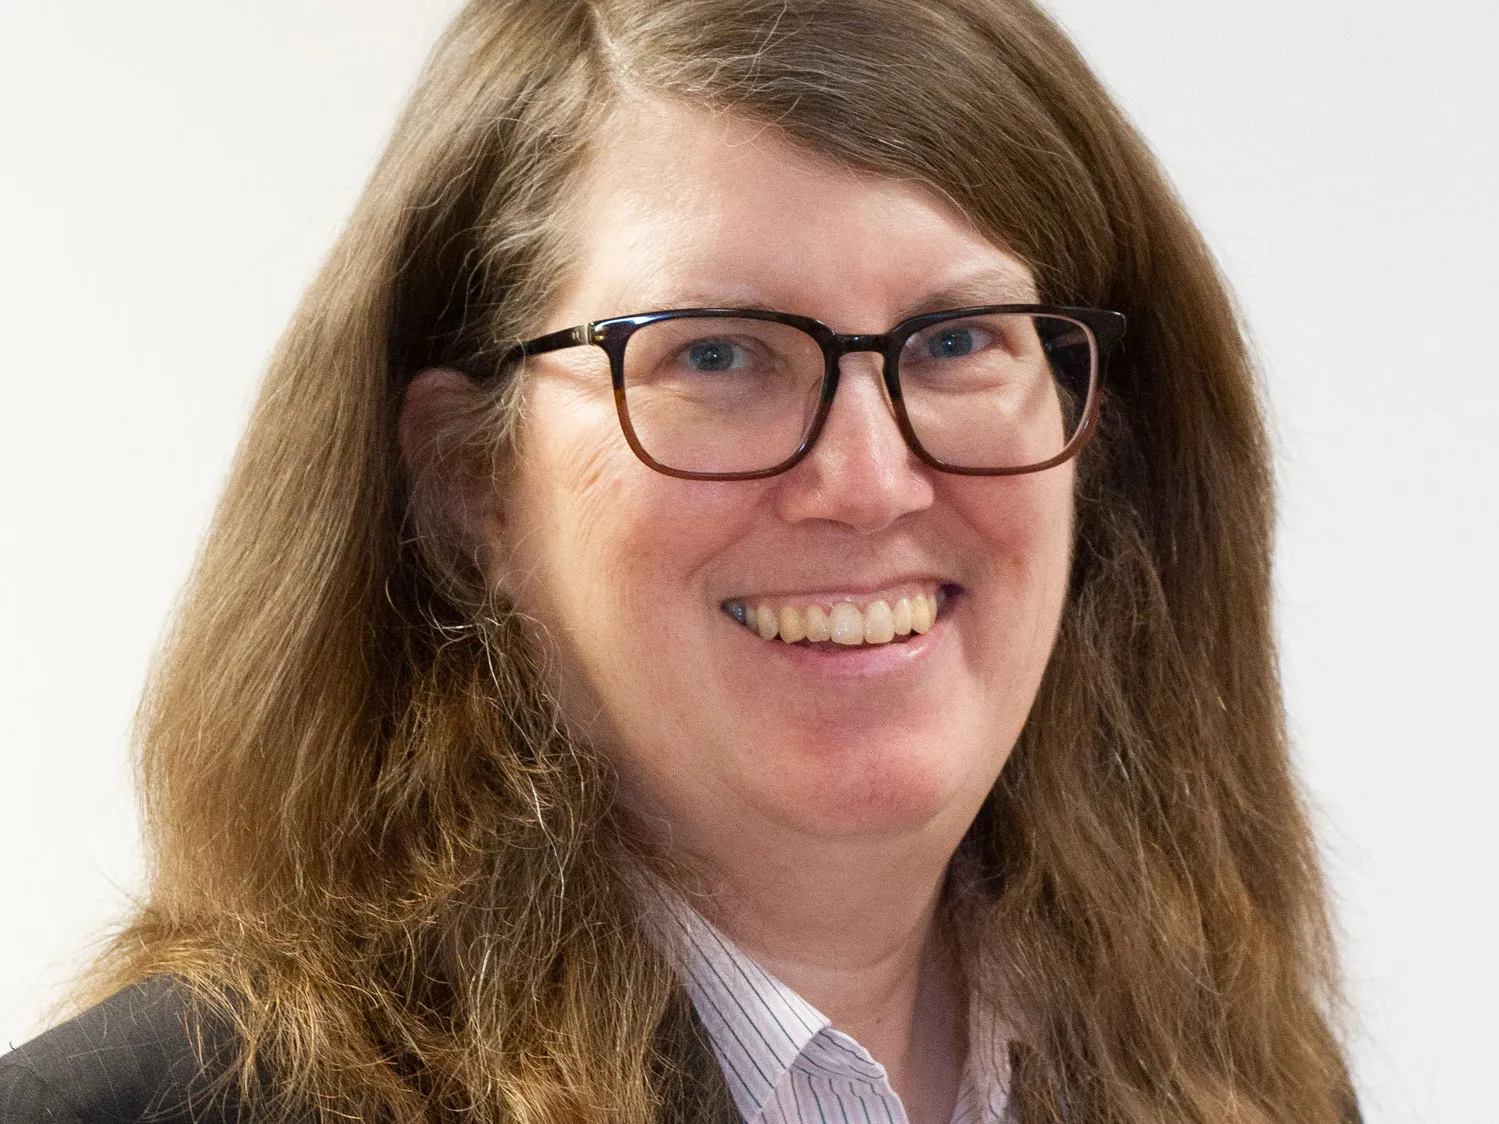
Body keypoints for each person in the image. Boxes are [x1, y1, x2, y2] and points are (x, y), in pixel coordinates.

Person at [0, 1, 1360, 1121]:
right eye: (715, 355)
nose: (869, 480)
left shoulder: (1247, 1085)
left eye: (957, 342)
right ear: (473, 483)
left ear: (1096, 437)